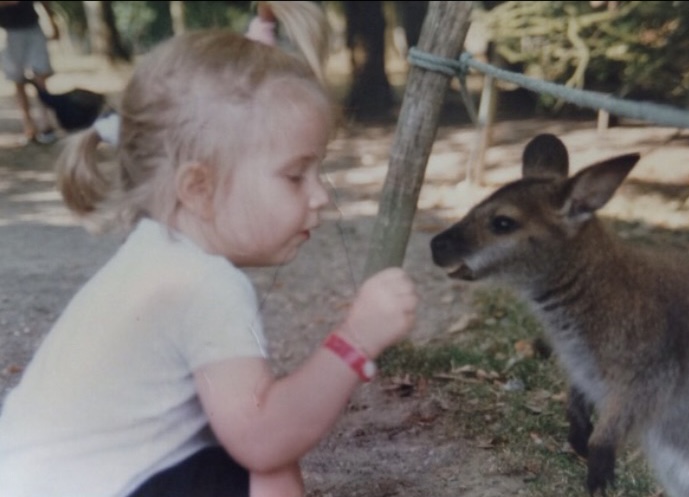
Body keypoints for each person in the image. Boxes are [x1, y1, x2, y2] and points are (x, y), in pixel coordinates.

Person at [0, 28, 419, 497]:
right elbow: (264, 442)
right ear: (198, 188)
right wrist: (356, 340)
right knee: (269, 457)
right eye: (295, 175)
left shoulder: (156, 253)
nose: (321, 196)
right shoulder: (203, 283)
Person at [0, 0, 58, 144]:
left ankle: (45, 124)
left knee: (40, 76)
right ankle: (28, 126)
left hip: (33, 27)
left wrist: (52, 21)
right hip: (9, 32)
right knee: (18, 80)